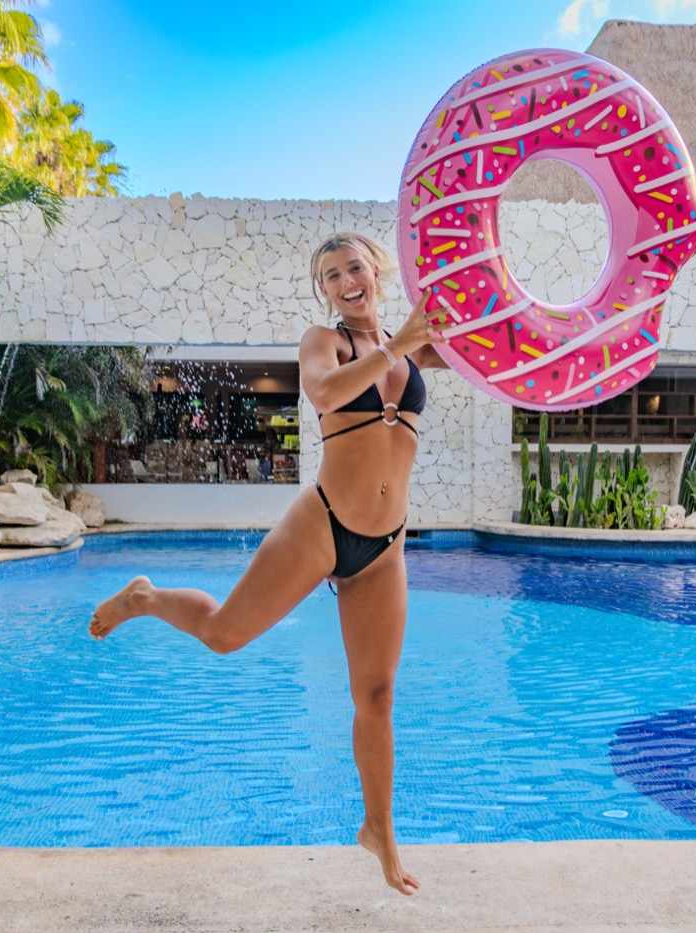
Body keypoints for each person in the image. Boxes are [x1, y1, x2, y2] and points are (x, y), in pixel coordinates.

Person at [89, 232, 449, 895]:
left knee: (376, 694)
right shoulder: (326, 342)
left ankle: (379, 829)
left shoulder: (419, 346)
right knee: (225, 633)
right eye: (331, 274)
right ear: (324, 291)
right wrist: (396, 345)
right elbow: (325, 394)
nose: (345, 280)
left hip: (386, 545)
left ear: (379, 272)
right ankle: (144, 597)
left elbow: (500, 352)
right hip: (324, 524)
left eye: (355, 268)